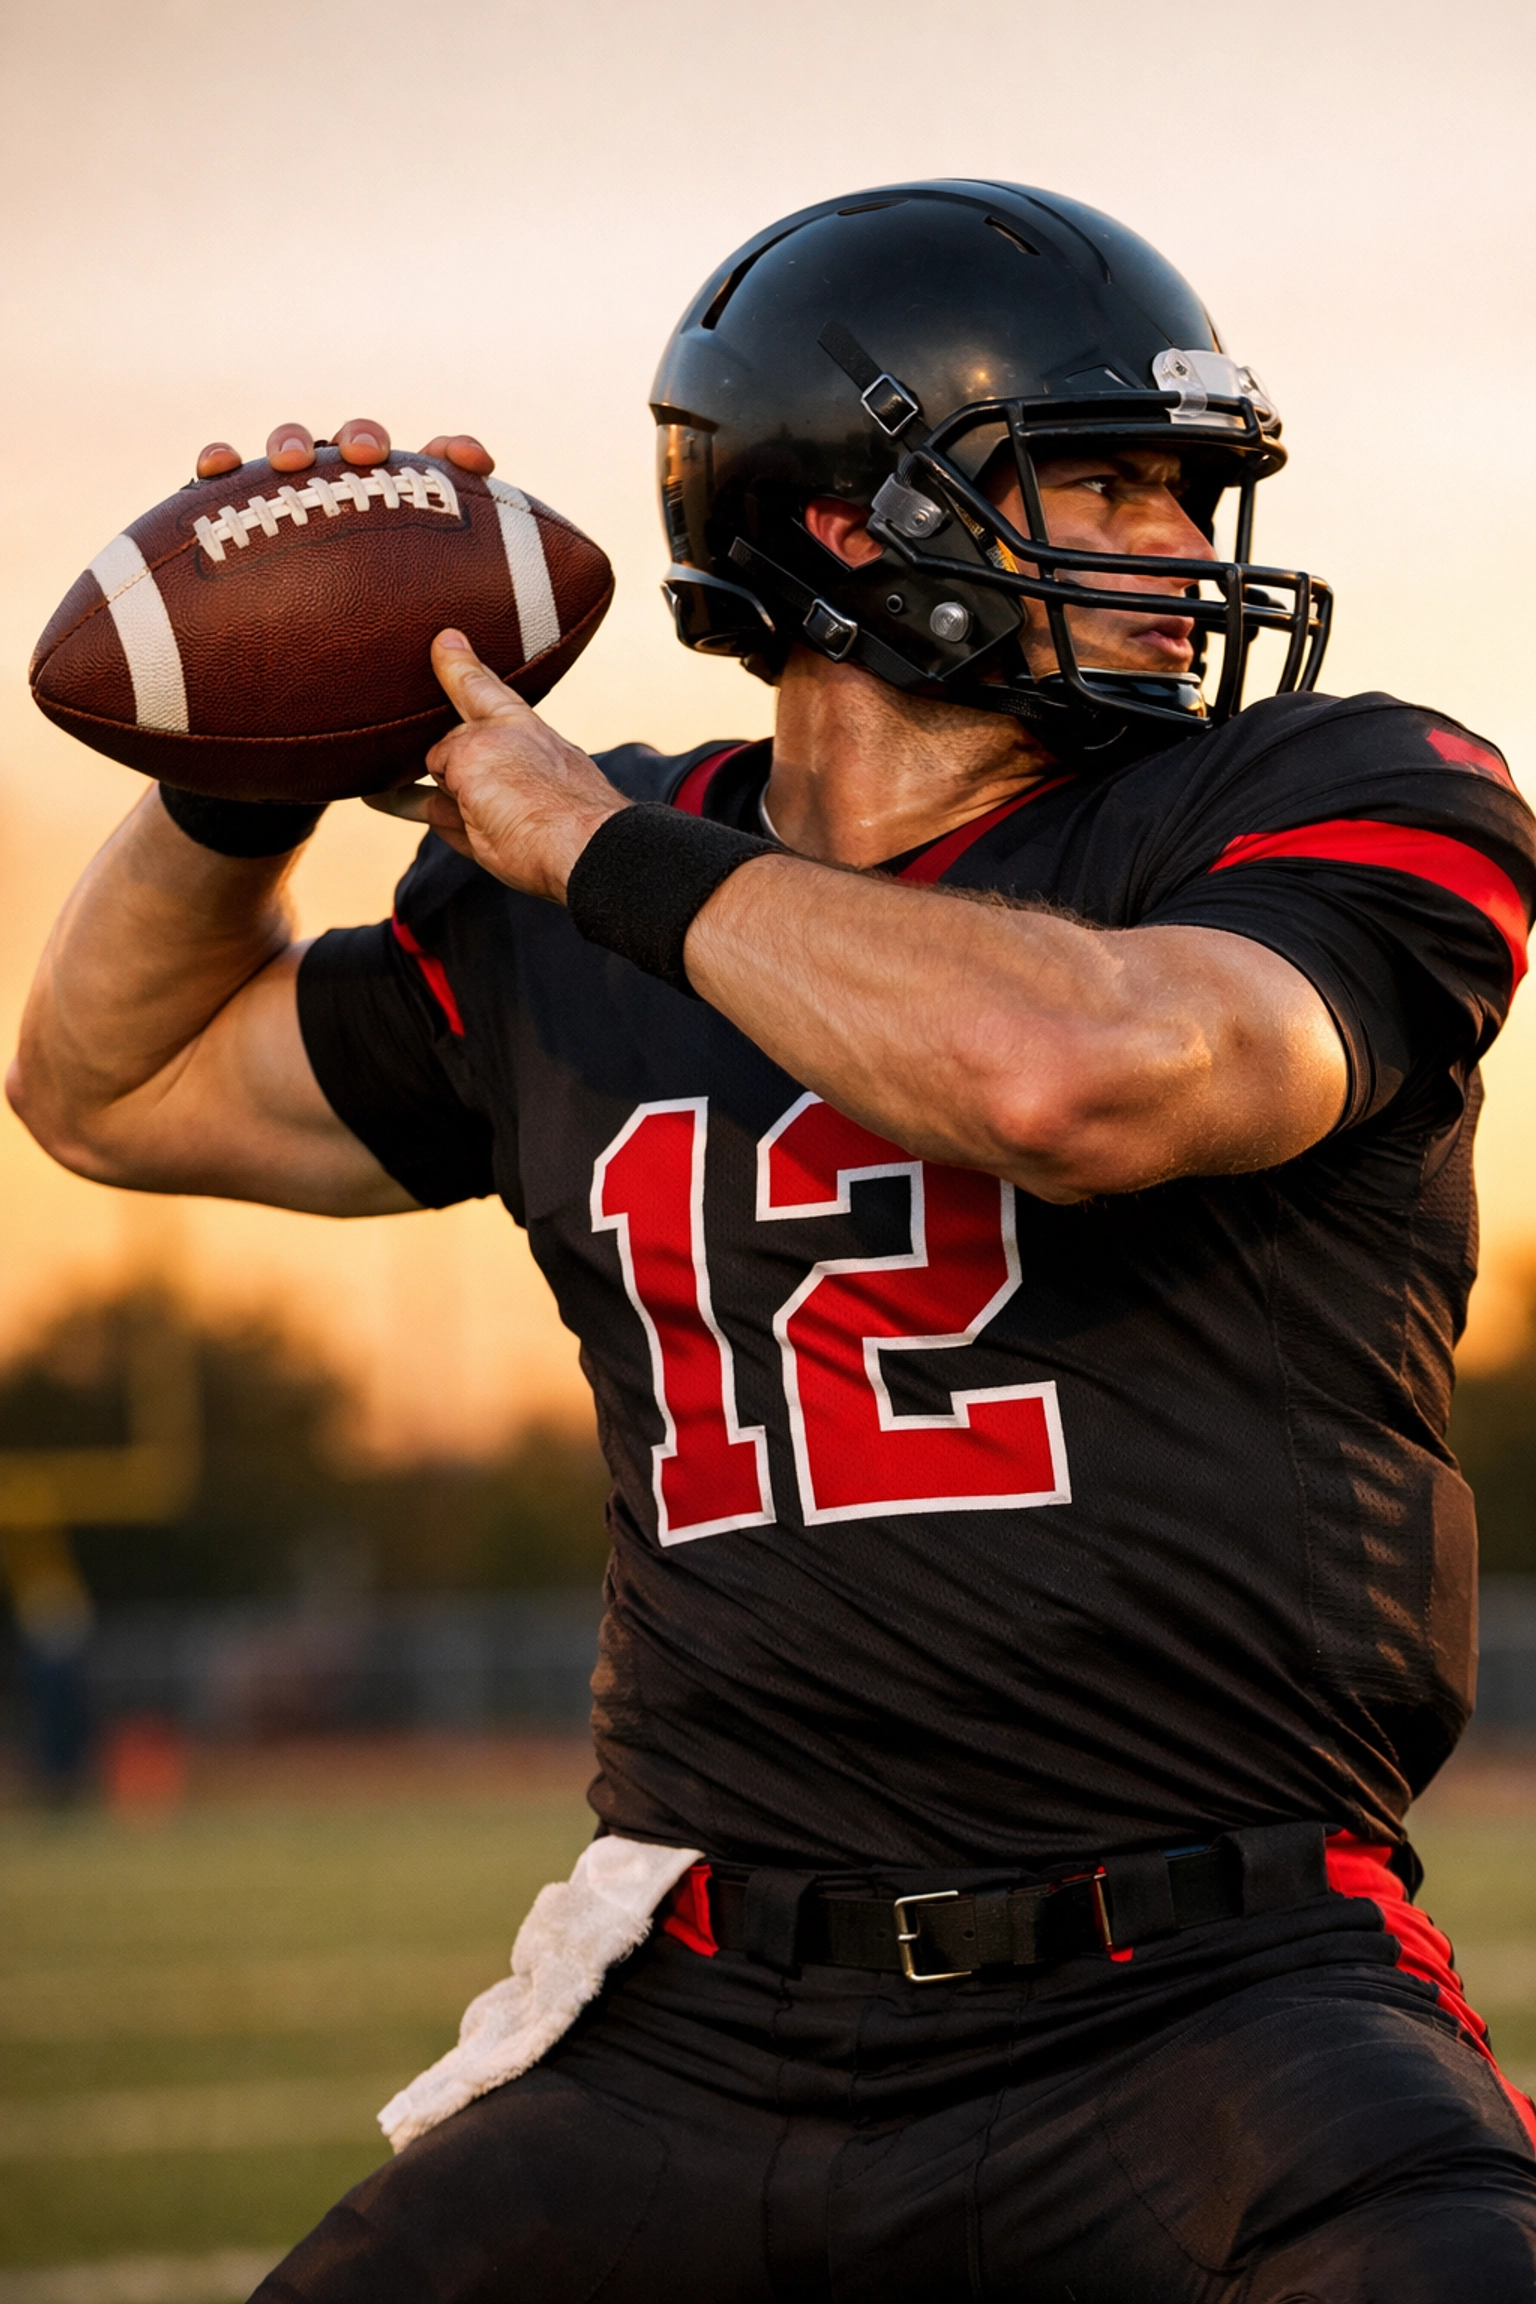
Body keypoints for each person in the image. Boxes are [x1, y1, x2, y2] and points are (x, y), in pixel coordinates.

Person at [13, 180, 1536, 2300]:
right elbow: (110, 1085)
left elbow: (1081, 1072)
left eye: (1197, 496)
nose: (1187, 557)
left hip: (1211, 1998)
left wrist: (602, 853)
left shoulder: (1327, 796)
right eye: (1108, 484)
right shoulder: (574, 896)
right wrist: (248, 765)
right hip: (705, 2017)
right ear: (846, 523)